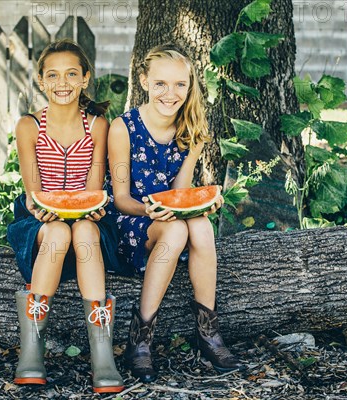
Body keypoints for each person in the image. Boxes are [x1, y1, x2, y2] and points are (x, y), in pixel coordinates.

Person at [108, 43, 243, 383]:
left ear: (190, 85)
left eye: (180, 85)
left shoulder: (191, 129)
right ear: (144, 81)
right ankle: (140, 338)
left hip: (168, 215)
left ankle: (208, 332)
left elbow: (180, 193)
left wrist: (203, 203)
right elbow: (121, 198)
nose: (171, 94)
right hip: (131, 219)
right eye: (161, 84)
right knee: (177, 230)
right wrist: (150, 210)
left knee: (200, 226)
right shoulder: (123, 128)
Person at [7, 39, 124, 394]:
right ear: (41, 81)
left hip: (88, 218)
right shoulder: (29, 126)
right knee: (58, 233)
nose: (63, 83)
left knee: (85, 231)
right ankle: (31, 349)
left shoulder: (97, 125)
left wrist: (91, 206)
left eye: (72, 74)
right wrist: (48, 210)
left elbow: (92, 187)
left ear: (85, 79)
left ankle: (102, 353)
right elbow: (34, 192)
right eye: (53, 75)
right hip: (38, 218)